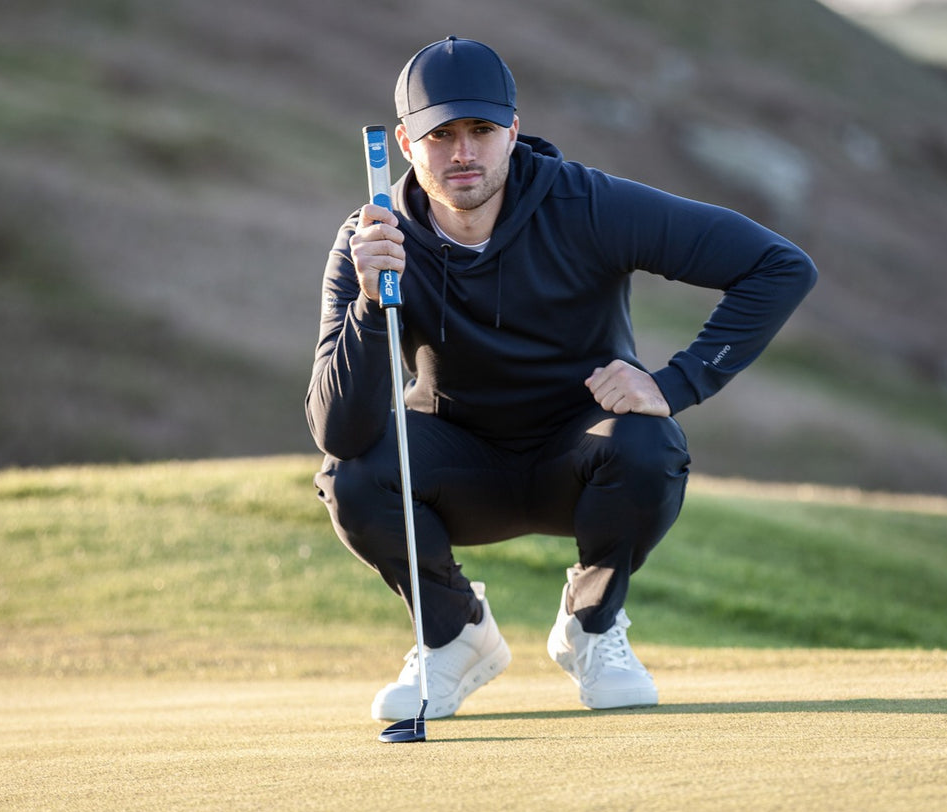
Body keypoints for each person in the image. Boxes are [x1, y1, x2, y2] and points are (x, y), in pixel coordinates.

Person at [308, 36, 817, 722]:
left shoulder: (585, 204)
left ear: (513, 132)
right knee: (351, 476)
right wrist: (373, 300)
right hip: (458, 461)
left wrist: (677, 383)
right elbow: (340, 430)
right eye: (442, 135)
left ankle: (593, 625)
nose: (463, 152)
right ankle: (454, 634)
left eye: (482, 131)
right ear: (405, 142)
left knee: (648, 439)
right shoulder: (371, 240)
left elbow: (779, 267)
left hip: (581, 455)